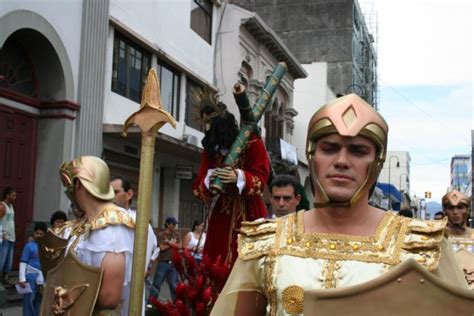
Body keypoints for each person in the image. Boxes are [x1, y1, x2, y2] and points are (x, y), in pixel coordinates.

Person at [211, 94, 468, 315]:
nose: (342, 161)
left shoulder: (420, 245)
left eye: (358, 151)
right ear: (312, 155)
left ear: (376, 162)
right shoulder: (267, 242)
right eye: (330, 148)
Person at [51, 156, 136, 315]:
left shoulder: (112, 227)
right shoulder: (86, 222)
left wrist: (66, 294)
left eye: (68, 186)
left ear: (78, 185)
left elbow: (109, 297)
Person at [192, 96, 269, 268]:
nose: (206, 128)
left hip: (249, 212)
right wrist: (208, 180)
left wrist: (240, 177)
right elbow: (198, 188)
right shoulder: (212, 150)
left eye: (209, 123)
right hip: (222, 215)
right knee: (217, 261)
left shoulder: (252, 142)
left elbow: (261, 180)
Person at [110, 175, 158, 305]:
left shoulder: (139, 222)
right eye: (108, 192)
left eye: (115, 192)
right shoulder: (103, 220)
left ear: (129, 194)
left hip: (130, 287)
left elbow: (150, 250)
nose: (111, 196)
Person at [442, 190, 474, 288]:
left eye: (460, 208)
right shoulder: (439, 237)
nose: (455, 212)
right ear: (445, 211)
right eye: (451, 208)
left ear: (467, 210)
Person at [149, 216, 181, 302]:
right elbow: (162, 248)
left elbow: (179, 246)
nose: (174, 226)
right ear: (167, 224)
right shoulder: (161, 235)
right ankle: (151, 302)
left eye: (175, 224)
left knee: (174, 284)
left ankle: (177, 304)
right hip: (163, 262)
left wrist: (168, 242)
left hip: (173, 263)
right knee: (157, 283)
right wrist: (171, 243)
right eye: (173, 224)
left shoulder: (177, 234)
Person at [18, 221, 47, 316]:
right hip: (30, 277)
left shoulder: (46, 247)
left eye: (41, 234)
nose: (38, 235)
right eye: (37, 233)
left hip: (42, 279)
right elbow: (23, 262)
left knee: (39, 300)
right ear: (33, 233)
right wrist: (22, 278)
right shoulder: (29, 246)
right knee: (29, 300)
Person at [0, 187, 16, 285]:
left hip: (11, 237)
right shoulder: (2, 206)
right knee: (1, 259)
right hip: (4, 237)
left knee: (8, 260)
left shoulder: (11, 206)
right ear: (7, 195)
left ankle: (5, 277)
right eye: (13, 195)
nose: (15, 197)